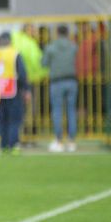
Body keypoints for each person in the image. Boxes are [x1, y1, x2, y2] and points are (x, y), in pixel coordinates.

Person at [42, 24, 78, 153]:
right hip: (72, 80)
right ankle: (71, 141)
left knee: (57, 111)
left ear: (57, 32)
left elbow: (44, 63)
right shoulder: (73, 46)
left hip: (56, 82)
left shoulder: (51, 47)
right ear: (68, 33)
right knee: (71, 111)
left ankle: (58, 141)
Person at [0, 32, 29, 152]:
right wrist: (26, 89)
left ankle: (3, 145)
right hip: (13, 90)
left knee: (1, 119)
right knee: (14, 119)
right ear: (10, 41)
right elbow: (22, 73)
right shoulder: (15, 53)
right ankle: (13, 145)